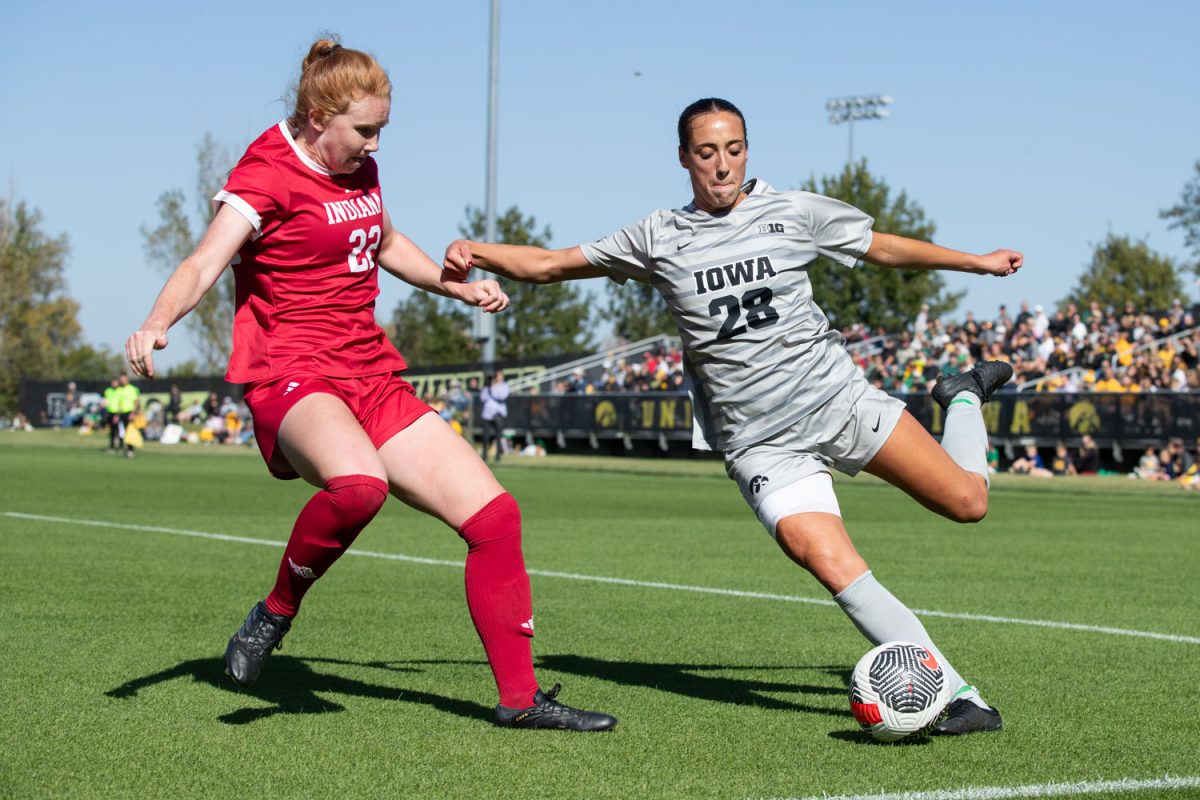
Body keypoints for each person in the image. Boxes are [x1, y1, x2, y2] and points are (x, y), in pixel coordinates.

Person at [444, 97, 1022, 736]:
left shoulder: (792, 212)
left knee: (969, 502)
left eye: (734, 149)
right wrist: (478, 251)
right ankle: (958, 695)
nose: (722, 166)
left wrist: (976, 261)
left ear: (748, 150)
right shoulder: (657, 236)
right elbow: (553, 265)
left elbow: (880, 249)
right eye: (706, 152)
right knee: (826, 559)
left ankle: (963, 396)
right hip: (760, 443)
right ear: (684, 158)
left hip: (838, 403)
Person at [124, 38, 613, 732]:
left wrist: (459, 289)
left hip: (368, 372)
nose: (375, 143)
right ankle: (274, 613)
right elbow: (204, 262)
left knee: (495, 519)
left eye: (381, 129)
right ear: (319, 114)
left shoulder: (362, 171)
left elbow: (382, 242)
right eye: (365, 130)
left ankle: (520, 698)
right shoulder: (265, 172)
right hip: (289, 373)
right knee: (358, 487)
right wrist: (156, 321)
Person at [479, 371, 510, 463]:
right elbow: (483, 398)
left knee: (498, 436)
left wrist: (494, 387)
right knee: (485, 437)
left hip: (498, 414)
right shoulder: (487, 388)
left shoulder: (504, 386)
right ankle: (484, 456)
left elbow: (502, 397)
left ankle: (498, 457)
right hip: (487, 414)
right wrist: (489, 386)